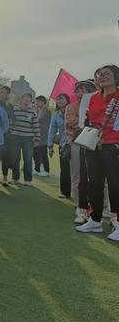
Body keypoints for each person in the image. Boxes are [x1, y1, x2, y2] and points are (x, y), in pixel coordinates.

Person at [76, 65, 119, 241]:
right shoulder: (93, 98)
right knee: (94, 183)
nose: (102, 77)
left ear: (116, 77)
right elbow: (88, 120)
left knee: (115, 185)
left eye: (107, 74)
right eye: (100, 75)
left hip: (113, 146)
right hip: (93, 145)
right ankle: (95, 220)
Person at [65, 81, 96, 224]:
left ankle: (103, 205)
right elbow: (72, 122)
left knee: (100, 176)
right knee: (77, 173)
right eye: (77, 91)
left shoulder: (97, 104)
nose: (79, 94)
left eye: (83, 90)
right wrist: (88, 123)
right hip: (77, 141)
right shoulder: (71, 107)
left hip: (97, 143)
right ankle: (79, 204)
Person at [10, 93, 40, 186]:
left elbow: (36, 126)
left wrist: (37, 139)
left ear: (31, 101)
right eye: (25, 98)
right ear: (21, 99)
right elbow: (10, 122)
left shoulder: (32, 112)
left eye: (29, 99)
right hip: (15, 137)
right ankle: (15, 178)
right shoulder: (15, 109)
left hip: (28, 138)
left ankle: (28, 180)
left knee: (27, 159)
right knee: (15, 158)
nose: (26, 100)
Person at [48, 93, 71, 198]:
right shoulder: (56, 115)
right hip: (63, 145)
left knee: (77, 170)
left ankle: (78, 192)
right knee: (64, 168)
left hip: (76, 143)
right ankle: (65, 192)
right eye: (58, 99)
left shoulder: (74, 110)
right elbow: (52, 131)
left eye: (62, 98)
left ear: (67, 100)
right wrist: (50, 145)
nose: (59, 101)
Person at [0, 86, 14, 186]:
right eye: (0, 92)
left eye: (4, 93)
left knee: (5, 157)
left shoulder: (10, 107)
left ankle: (4, 177)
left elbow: (12, 120)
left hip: (6, 136)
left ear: (7, 95)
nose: (1, 94)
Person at [33, 96, 52, 177]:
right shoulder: (38, 110)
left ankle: (46, 170)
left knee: (43, 153)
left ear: (43, 102)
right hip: (36, 136)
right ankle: (37, 169)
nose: (36, 103)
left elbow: (41, 120)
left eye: (38, 101)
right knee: (35, 153)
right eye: (36, 101)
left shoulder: (47, 111)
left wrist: (36, 118)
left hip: (43, 136)